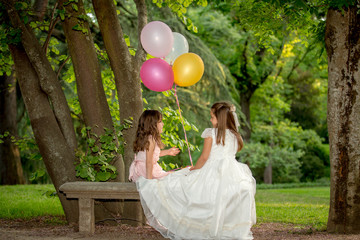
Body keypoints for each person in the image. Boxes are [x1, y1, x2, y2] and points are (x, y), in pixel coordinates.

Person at [136, 101, 256, 240]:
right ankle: (226, 227)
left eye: (212, 117)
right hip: (232, 172)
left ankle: (198, 226)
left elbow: (204, 157)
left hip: (212, 170)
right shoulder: (236, 136)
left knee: (190, 189)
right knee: (220, 198)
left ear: (220, 118)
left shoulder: (211, 133)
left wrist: (194, 169)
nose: (210, 120)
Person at [129, 110, 180, 182]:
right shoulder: (151, 139)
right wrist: (149, 183)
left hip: (144, 170)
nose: (162, 124)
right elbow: (149, 161)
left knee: (175, 176)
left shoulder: (149, 138)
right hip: (147, 172)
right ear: (152, 124)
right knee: (176, 177)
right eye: (160, 121)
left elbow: (150, 155)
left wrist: (168, 152)